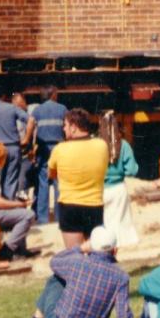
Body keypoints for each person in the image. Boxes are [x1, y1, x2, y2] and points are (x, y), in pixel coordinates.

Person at [13, 225, 155, 318]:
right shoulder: (121, 278)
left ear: (90, 245)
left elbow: (54, 262)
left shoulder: (77, 263)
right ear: (115, 250)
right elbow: (124, 317)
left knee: (55, 279)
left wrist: (80, 248)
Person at [47, 108, 109, 248]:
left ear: (74, 127)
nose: (63, 129)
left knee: (74, 256)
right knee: (95, 253)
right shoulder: (102, 145)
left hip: (70, 206)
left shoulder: (59, 149)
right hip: (94, 206)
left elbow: (50, 174)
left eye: (65, 125)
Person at [98, 110, 139, 249]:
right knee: (119, 222)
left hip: (100, 190)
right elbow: (132, 170)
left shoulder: (96, 145)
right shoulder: (124, 145)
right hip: (118, 189)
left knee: (105, 221)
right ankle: (118, 248)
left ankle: (105, 246)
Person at [31, 84, 67, 226]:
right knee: (59, 182)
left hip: (43, 148)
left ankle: (42, 218)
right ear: (53, 95)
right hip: (59, 148)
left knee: (43, 183)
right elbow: (67, 128)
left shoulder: (37, 110)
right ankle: (59, 217)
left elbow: (31, 129)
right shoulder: (62, 109)